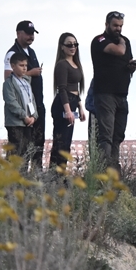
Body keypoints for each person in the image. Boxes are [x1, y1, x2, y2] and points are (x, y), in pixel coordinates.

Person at [90, 11, 136, 169]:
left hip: (122, 94)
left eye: (121, 26)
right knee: (106, 135)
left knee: (118, 135)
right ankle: (104, 168)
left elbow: (126, 59)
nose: (118, 29)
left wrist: (131, 67)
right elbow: (119, 51)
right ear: (107, 25)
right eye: (115, 25)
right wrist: (122, 43)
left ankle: (113, 165)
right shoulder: (100, 40)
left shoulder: (126, 42)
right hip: (105, 93)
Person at [4, 21, 45, 169]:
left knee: (36, 144)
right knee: (18, 150)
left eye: (32, 33)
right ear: (18, 33)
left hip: (34, 107)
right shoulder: (12, 53)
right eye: (28, 33)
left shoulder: (31, 52)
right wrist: (31, 73)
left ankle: (34, 178)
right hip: (20, 115)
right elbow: (9, 77)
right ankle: (15, 181)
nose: (31, 36)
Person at [50, 32, 86, 168]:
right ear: (62, 47)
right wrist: (68, 110)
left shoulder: (76, 63)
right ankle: (56, 174)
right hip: (63, 104)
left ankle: (61, 173)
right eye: (69, 44)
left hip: (72, 102)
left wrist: (80, 107)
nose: (73, 47)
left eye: (75, 44)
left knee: (66, 142)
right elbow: (62, 89)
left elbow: (75, 88)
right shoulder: (62, 64)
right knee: (61, 142)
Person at [3, 52, 39, 162]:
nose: (24, 68)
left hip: (28, 123)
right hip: (15, 122)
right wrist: (24, 116)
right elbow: (11, 102)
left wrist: (34, 116)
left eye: (26, 66)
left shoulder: (27, 82)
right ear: (13, 66)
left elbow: (32, 100)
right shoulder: (9, 83)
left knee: (26, 152)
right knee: (15, 152)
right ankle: (11, 176)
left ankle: (23, 176)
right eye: (21, 65)